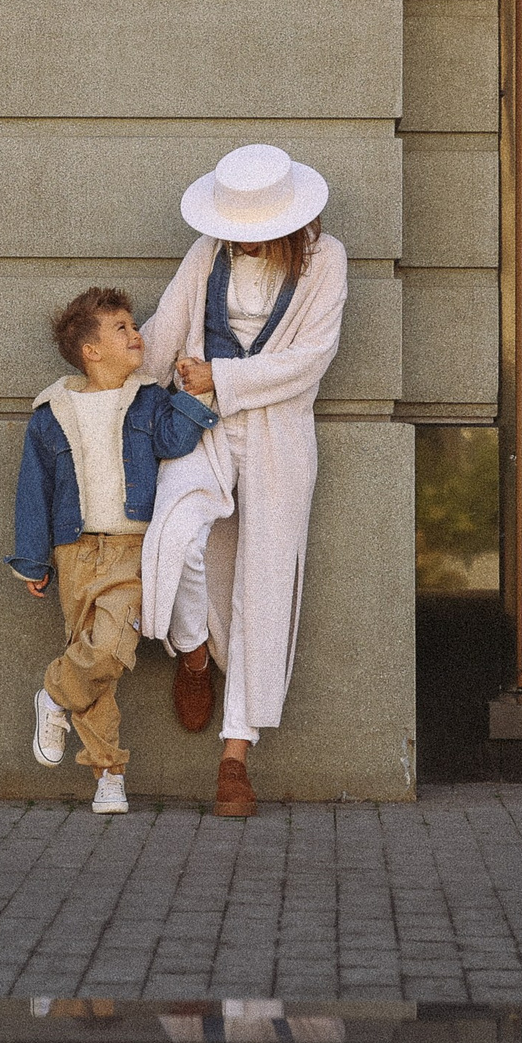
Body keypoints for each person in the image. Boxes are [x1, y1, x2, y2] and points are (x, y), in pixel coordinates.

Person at [138, 144, 346, 817]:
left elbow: (312, 359)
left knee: (264, 581)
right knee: (176, 536)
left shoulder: (325, 261)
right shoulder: (208, 253)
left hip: (277, 435)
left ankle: (236, 756)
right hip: (198, 426)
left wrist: (222, 378)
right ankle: (193, 652)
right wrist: (103, 387)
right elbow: (168, 328)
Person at [8, 285, 218, 814]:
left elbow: (174, 441)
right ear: (90, 351)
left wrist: (196, 396)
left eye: (133, 324)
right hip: (73, 549)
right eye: (121, 328)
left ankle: (54, 694)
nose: (136, 334)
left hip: (130, 546)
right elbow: (34, 489)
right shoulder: (51, 412)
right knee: (97, 665)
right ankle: (109, 774)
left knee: (109, 649)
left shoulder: (149, 397)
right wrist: (34, 560)